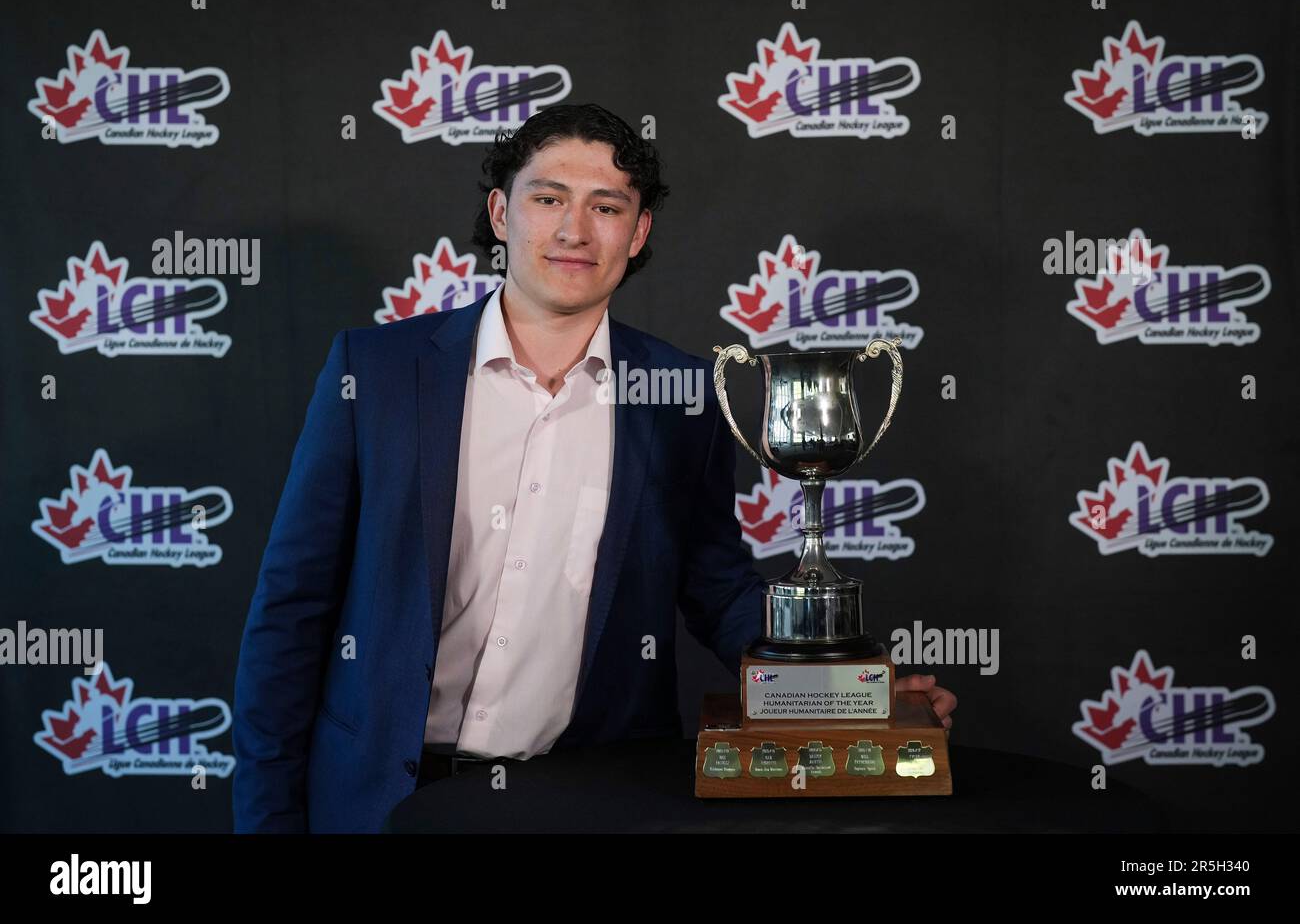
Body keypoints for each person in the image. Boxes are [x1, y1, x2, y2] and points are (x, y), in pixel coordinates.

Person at [232, 103, 956, 832]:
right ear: (501, 212)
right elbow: (291, 612)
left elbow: (714, 584)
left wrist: (846, 688)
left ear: (637, 231)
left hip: (591, 802)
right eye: (548, 198)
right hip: (381, 804)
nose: (575, 230)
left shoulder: (682, 394)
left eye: (606, 206)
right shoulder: (375, 374)